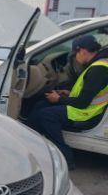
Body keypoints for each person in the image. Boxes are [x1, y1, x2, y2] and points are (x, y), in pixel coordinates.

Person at [26, 35, 108, 169]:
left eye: (75, 53)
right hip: (88, 108)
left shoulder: (98, 69)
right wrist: (68, 94)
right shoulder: (100, 63)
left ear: (82, 51)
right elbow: (90, 93)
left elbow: (82, 103)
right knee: (41, 105)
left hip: (86, 113)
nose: (75, 57)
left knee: (45, 116)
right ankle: (32, 143)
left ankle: (66, 158)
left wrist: (59, 99)